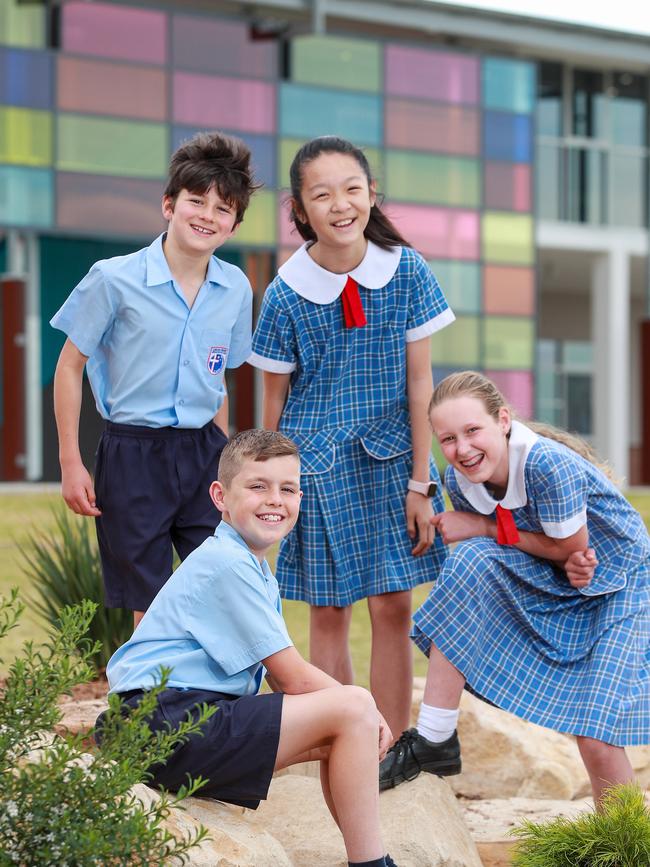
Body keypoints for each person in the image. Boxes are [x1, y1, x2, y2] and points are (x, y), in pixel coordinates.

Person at [97, 429, 398, 867]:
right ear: (220, 496)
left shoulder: (246, 562)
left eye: (288, 489)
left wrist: (357, 716)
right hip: (162, 722)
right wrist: (366, 709)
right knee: (353, 709)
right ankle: (373, 865)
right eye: (258, 486)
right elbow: (293, 676)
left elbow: (279, 677)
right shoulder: (226, 564)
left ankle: (368, 859)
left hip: (171, 723)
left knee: (343, 731)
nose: (275, 499)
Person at [248, 136, 454, 736]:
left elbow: (422, 385)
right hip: (315, 466)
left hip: (394, 460)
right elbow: (273, 406)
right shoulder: (286, 292)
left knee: (394, 604)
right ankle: (343, 738)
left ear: (371, 195)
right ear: (300, 210)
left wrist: (424, 480)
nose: (340, 205)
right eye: (322, 195)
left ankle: (392, 742)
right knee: (330, 610)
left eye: (352, 189)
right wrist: (272, 490)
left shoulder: (408, 269)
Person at [378, 370, 650, 805]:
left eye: (472, 431)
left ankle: (625, 847)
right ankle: (434, 737)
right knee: (468, 560)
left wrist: (482, 525)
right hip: (556, 577)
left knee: (596, 738)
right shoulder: (459, 480)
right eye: (447, 439)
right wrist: (483, 533)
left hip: (622, 585)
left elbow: (568, 549)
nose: (462, 449)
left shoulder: (546, 464)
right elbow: (524, 555)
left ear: (503, 420)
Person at [50, 132, 257, 626]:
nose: (207, 215)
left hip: (205, 450)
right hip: (132, 453)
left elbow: (219, 378)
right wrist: (70, 462)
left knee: (224, 577)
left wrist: (225, 458)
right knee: (151, 596)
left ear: (233, 225)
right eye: (196, 201)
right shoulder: (113, 279)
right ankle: (147, 702)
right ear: (169, 204)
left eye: (223, 209)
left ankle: (212, 698)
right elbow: (68, 367)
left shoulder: (236, 288)